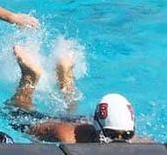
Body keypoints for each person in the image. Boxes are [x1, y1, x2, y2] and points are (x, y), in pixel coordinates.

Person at [9, 45, 137, 143]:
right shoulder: (66, 136)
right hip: (50, 124)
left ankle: (66, 79)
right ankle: (30, 76)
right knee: (16, 114)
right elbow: (30, 130)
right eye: (111, 135)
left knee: (69, 111)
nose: (119, 141)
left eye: (127, 135)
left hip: (82, 122)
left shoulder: (137, 142)